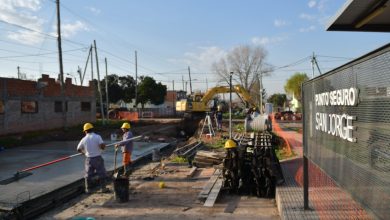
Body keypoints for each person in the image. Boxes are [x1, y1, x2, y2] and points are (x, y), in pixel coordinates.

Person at [77, 122, 109, 193]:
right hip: (97, 158)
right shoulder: (97, 136)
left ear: (85, 131)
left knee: (88, 175)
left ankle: (88, 189)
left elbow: (78, 149)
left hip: (89, 159)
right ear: (92, 129)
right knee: (101, 173)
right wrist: (103, 147)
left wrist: (84, 153)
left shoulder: (84, 139)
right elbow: (102, 146)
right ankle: (103, 188)